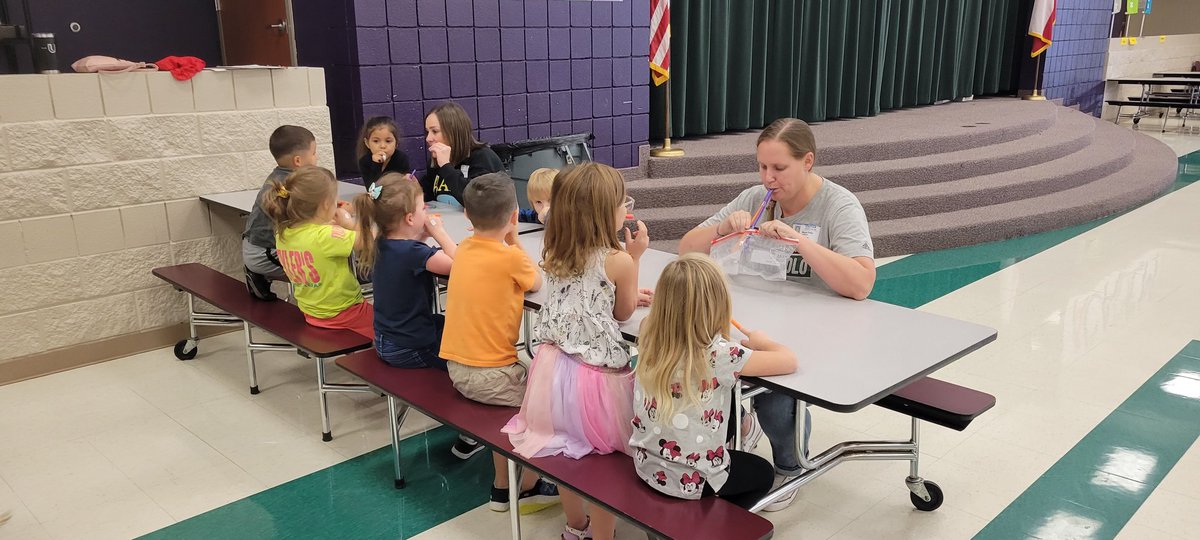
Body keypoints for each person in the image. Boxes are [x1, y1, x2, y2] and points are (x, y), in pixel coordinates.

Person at [677, 117, 877, 511]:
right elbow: (687, 249)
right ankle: (740, 427)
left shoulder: (839, 205)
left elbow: (861, 284)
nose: (768, 178)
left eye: (779, 168)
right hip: (760, 321)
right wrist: (722, 228)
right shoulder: (755, 198)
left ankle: (790, 464)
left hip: (820, 329)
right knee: (698, 359)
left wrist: (800, 241)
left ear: (808, 162)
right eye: (762, 167)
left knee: (773, 390)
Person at [502, 162, 653, 540]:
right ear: (606, 212)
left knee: (565, 452)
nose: (626, 208)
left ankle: (575, 526)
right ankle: (603, 535)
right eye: (623, 203)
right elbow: (623, 312)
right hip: (594, 379)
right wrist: (635, 257)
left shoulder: (555, 249)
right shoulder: (618, 259)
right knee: (603, 462)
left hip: (551, 370)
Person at [630, 253, 796, 509]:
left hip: (645, 464)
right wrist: (762, 341)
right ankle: (717, 516)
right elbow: (788, 360)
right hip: (698, 481)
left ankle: (742, 433)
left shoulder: (649, 331)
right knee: (762, 473)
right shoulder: (721, 355)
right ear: (718, 306)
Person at [439, 173, 559, 512]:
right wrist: (515, 240)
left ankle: (500, 486)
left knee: (523, 377)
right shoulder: (511, 257)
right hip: (494, 377)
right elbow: (536, 282)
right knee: (552, 402)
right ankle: (529, 486)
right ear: (513, 216)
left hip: (456, 369)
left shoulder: (464, 249)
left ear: (466, 214)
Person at [352, 172, 454, 369]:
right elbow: (459, 264)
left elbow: (408, 258)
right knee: (463, 349)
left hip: (386, 340)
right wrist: (439, 233)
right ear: (410, 218)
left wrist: (422, 237)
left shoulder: (381, 242)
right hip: (409, 348)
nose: (426, 211)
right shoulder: (413, 253)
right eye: (423, 207)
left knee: (442, 323)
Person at [261, 166, 372, 338]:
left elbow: (314, 235)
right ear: (326, 204)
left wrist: (330, 219)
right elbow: (369, 241)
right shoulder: (325, 236)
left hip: (313, 312)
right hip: (345, 313)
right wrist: (348, 222)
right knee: (394, 326)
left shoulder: (283, 233)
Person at [243, 125, 318, 301]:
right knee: (321, 269)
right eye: (314, 153)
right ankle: (311, 312)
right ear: (298, 161)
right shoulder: (292, 186)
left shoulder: (279, 177)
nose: (317, 158)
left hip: (258, 248)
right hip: (265, 254)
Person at [420, 102, 504, 206]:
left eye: (435, 131)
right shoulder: (436, 162)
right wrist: (414, 189)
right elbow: (428, 196)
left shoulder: (482, 157)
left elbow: (477, 200)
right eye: (427, 132)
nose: (428, 138)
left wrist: (446, 166)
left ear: (453, 132)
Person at [357, 116, 411, 186]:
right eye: (376, 141)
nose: (382, 146)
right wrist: (377, 164)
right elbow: (372, 189)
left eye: (388, 141)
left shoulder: (401, 159)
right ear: (367, 143)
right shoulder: (364, 162)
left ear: (396, 143)